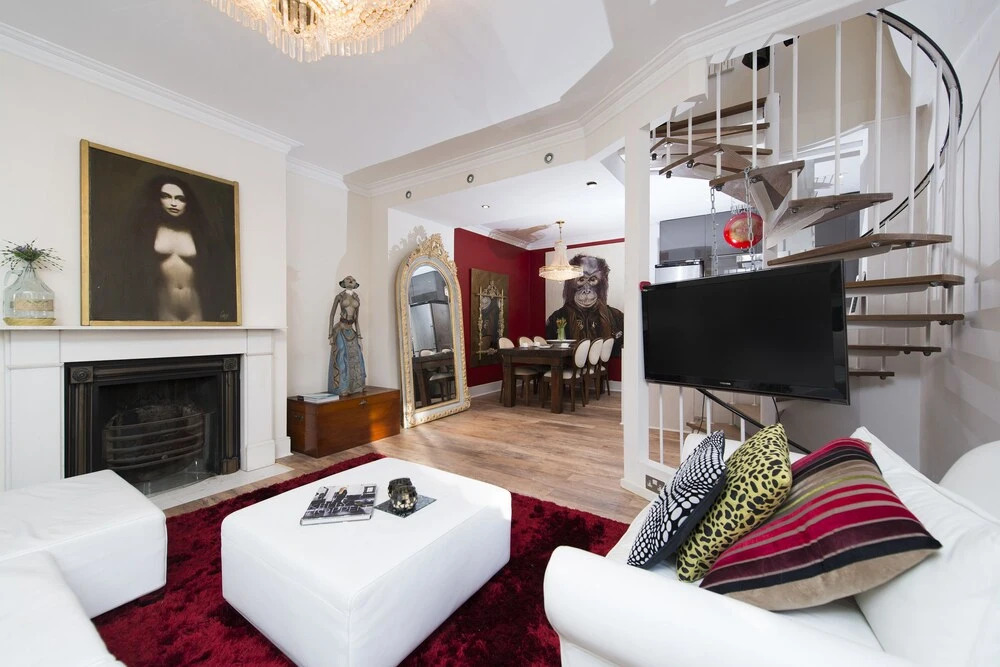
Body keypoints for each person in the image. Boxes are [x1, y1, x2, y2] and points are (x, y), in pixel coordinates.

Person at [116, 175, 232, 322]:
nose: (173, 203)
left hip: (196, 310)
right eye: (166, 197)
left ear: (187, 202)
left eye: (180, 199)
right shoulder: (148, 232)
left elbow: (214, 274)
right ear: (157, 199)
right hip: (162, 310)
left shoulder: (198, 234)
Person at [328, 276, 367, 395]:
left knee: (356, 356)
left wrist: (359, 336)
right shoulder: (339, 297)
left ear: (355, 284)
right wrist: (330, 334)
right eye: (348, 279)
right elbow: (331, 315)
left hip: (351, 330)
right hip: (340, 328)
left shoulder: (356, 298)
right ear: (343, 283)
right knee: (341, 356)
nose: (350, 281)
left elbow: (357, 319)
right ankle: (342, 387)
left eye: (353, 280)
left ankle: (356, 386)